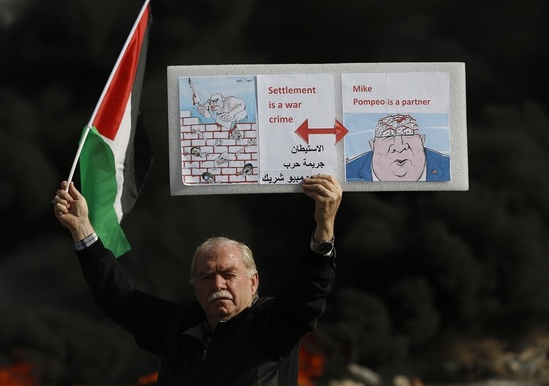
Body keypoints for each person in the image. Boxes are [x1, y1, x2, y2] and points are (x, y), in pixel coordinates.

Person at [52, 174, 342, 386]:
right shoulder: (178, 326)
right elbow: (117, 297)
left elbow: (310, 292)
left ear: (253, 282)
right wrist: (82, 230)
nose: (218, 285)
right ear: (195, 286)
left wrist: (324, 227)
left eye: (229, 274)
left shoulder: (272, 325)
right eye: (207, 277)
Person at [345, 113, 450, 182]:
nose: (399, 147)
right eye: (387, 135)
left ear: (422, 140)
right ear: (373, 145)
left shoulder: (448, 167)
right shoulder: (348, 172)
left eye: (408, 134)